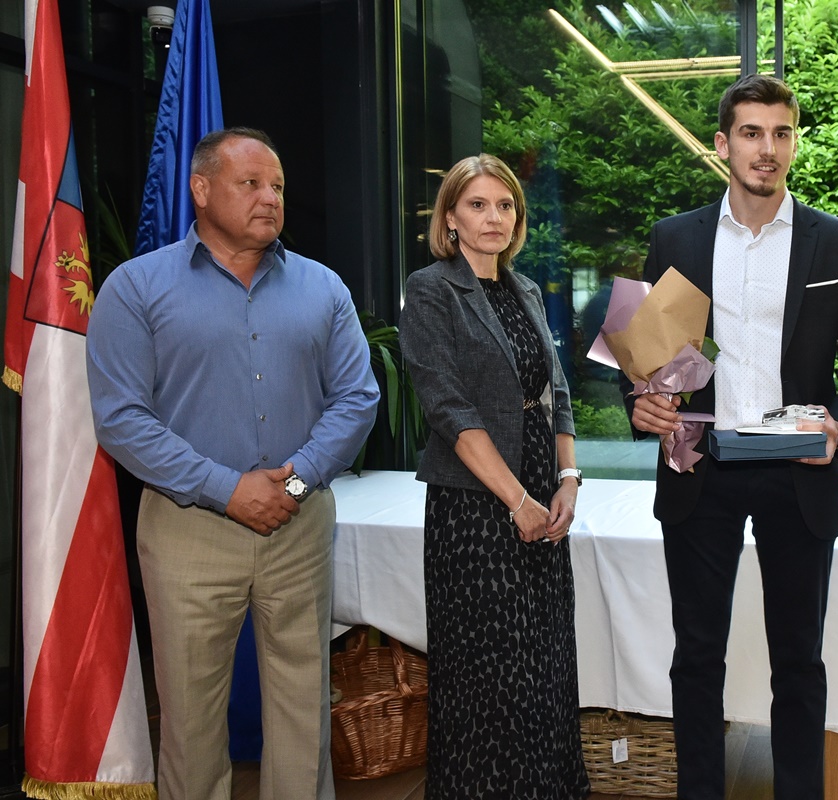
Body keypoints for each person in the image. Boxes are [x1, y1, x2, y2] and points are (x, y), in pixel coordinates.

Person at [86, 127, 380, 800]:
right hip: (187, 528)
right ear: (201, 188)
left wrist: (294, 483)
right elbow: (121, 418)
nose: (270, 198)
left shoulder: (323, 287)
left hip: (299, 522)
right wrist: (227, 490)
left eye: (277, 186)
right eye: (251, 183)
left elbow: (357, 398)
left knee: (304, 709)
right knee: (189, 720)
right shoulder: (135, 288)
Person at [628, 74, 838, 799]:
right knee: (696, 659)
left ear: (793, 143)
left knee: (798, 662)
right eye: (750, 133)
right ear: (722, 144)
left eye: (780, 133)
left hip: (799, 470)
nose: (766, 148)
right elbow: (644, 358)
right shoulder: (675, 238)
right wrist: (642, 404)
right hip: (699, 467)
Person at [397, 154, 589, 799]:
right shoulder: (430, 289)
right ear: (450, 217)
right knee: (489, 676)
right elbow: (449, 408)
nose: (494, 218)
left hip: (542, 500)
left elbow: (558, 394)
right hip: (475, 510)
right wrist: (518, 501)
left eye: (505, 205)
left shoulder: (525, 289)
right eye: (477, 205)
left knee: (545, 663)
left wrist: (567, 479)